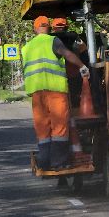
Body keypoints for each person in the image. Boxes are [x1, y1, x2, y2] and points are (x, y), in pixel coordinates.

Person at [22, 15, 89, 170]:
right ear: (49, 28)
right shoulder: (53, 41)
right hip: (56, 91)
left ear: (35, 28)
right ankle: (59, 163)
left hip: (37, 94)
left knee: (42, 127)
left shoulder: (26, 48)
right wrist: (82, 66)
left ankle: (44, 162)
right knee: (59, 127)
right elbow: (67, 54)